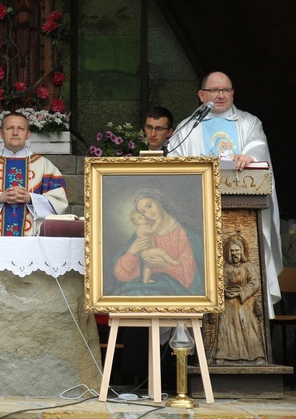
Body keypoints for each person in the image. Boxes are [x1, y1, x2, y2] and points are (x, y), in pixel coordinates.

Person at [168, 71, 282, 316]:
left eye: (226, 90)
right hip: (200, 216)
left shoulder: (249, 122)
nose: (220, 95)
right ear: (201, 95)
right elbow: (173, 162)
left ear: (233, 93)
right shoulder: (188, 127)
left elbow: (257, 146)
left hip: (242, 213)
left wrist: (249, 155)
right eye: (214, 91)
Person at [0, 112, 68, 236]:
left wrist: (30, 199)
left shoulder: (43, 165)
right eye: (9, 128)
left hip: (31, 241)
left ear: (28, 134)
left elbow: (59, 202)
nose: (15, 133)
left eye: (21, 128)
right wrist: (0, 198)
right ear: (1, 133)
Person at [112, 188, 204, 296]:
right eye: (143, 212)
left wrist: (165, 265)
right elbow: (121, 275)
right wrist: (132, 251)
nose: (148, 213)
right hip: (143, 291)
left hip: (173, 291)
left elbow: (191, 279)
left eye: (149, 205)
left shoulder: (185, 234)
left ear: (159, 202)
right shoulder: (143, 234)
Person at [210, 233, 266, 364]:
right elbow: (218, 282)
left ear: (242, 251)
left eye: (237, 250)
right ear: (228, 252)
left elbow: (255, 283)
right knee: (225, 327)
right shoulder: (225, 266)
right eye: (232, 250)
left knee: (247, 325)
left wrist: (240, 292)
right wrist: (224, 291)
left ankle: (256, 356)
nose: (235, 253)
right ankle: (223, 355)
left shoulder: (248, 266)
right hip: (228, 301)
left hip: (244, 301)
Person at [128, 209, 181, 284]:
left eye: (143, 216)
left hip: (146, 251)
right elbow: (152, 230)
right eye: (140, 217)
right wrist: (157, 222)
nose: (143, 218)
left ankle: (146, 280)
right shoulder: (142, 227)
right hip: (147, 250)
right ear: (136, 222)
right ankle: (173, 261)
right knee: (161, 252)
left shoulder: (144, 225)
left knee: (148, 266)